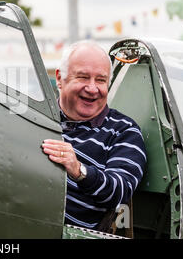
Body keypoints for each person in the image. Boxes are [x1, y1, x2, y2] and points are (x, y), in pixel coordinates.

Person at [42, 40, 146, 231]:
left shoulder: (124, 131)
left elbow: (120, 190)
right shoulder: (36, 116)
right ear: (59, 78)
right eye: (83, 77)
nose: (92, 88)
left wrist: (79, 170)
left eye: (100, 80)